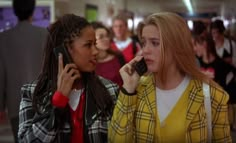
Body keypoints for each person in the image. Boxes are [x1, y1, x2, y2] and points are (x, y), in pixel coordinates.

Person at [108, 12, 232, 142]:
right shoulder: (136, 91)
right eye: (144, 43)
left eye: (155, 43)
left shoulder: (213, 95)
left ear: (177, 46)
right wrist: (128, 89)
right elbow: (116, 139)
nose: (145, 50)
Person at [18, 14, 119, 143]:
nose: (95, 52)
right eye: (88, 45)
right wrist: (58, 102)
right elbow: (26, 141)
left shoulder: (109, 90)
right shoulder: (32, 93)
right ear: (63, 51)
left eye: (95, 44)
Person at [0, 0, 47, 142]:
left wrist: (1, 105)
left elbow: (1, 75)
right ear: (33, 11)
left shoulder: (3, 38)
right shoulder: (44, 34)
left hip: (16, 103)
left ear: (14, 11)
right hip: (42, 101)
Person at [91, 21, 125, 87]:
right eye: (101, 37)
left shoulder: (118, 57)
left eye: (107, 36)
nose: (106, 39)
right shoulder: (90, 63)